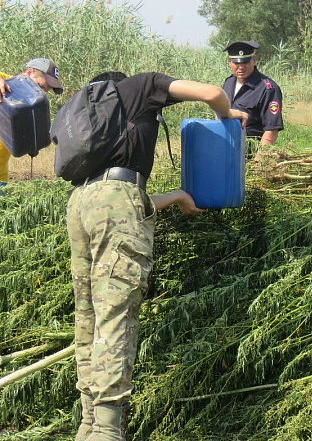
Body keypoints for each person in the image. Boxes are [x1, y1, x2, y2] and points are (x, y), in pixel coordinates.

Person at [66, 71, 247, 441]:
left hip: (81, 204)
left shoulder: (102, 131)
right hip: (115, 201)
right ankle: (107, 431)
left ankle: (89, 424)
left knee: (88, 314)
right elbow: (212, 92)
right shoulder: (142, 85)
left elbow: (128, 200)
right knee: (115, 313)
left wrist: (179, 196)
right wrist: (228, 116)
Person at [0, 58, 64, 186]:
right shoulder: (4, 81)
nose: (40, 94)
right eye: (39, 86)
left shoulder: (29, 106)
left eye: (44, 91)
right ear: (29, 72)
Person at [221, 40, 283, 158]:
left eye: (245, 62)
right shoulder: (228, 83)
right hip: (227, 152)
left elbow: (271, 129)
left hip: (250, 155)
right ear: (229, 62)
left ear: (254, 60)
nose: (241, 67)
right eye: (236, 62)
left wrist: (259, 160)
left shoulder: (268, 89)